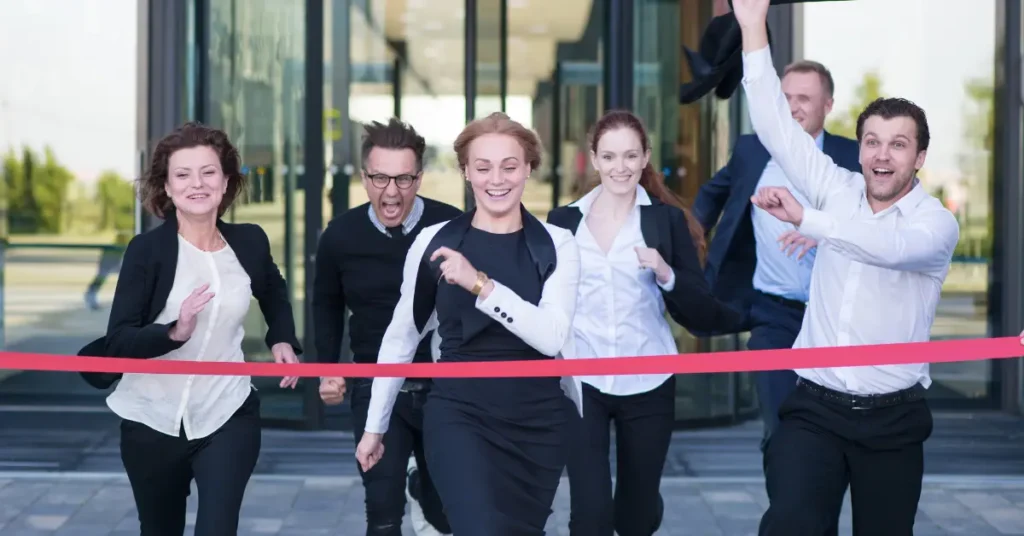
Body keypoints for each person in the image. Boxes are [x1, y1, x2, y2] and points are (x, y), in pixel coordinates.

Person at [734, 0, 960, 534]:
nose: (883, 156)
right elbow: (775, 125)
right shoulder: (836, 188)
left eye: (898, 145)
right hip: (815, 408)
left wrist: (810, 221)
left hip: (895, 419)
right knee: (789, 522)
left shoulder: (935, 225)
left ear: (919, 157)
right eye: (873, 142)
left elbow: (887, 248)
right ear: (858, 148)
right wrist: (751, 28)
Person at [355, 111, 583, 535]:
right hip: (460, 415)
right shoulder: (435, 242)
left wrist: (480, 285)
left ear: (529, 169)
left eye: (509, 166)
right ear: (465, 171)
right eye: (483, 167)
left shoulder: (557, 244)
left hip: (537, 424)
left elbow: (551, 337)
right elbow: (401, 338)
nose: (496, 179)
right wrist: (375, 427)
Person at [547, 109, 742, 536]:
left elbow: (698, 305)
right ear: (594, 159)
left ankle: (641, 510)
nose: (621, 167)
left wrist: (666, 272)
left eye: (630, 156)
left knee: (635, 517)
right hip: (582, 383)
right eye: (610, 156)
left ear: (645, 158)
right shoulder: (563, 222)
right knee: (591, 515)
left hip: (648, 379)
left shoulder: (664, 221)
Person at [102, 122, 302, 535]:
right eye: (183, 174)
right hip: (151, 420)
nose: (197, 184)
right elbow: (118, 339)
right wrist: (174, 331)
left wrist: (282, 337)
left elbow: (274, 290)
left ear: (226, 181)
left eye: (208, 172)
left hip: (227, 413)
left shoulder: (248, 242)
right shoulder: (147, 252)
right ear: (167, 186)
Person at [693, 58, 859, 451]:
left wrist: (828, 235)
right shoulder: (752, 149)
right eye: (785, 98)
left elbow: (884, 223)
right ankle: (786, 511)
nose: (793, 107)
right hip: (773, 313)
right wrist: (686, 239)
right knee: (781, 427)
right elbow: (712, 195)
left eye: (804, 98)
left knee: (833, 432)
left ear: (828, 105)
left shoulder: (852, 157)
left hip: (838, 318)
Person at [313, 118, 459, 536]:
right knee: (382, 512)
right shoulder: (340, 236)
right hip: (374, 385)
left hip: (441, 388)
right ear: (364, 177)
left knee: (443, 510)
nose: (391, 191)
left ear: (419, 177)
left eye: (403, 179)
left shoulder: (450, 228)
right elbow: (326, 304)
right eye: (379, 178)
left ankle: (421, 483)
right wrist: (329, 367)